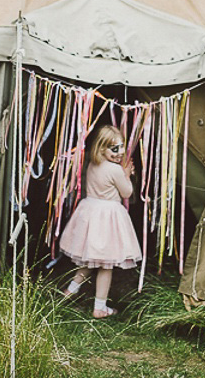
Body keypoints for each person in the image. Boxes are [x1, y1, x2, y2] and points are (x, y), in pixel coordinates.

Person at [59, 125, 142, 318]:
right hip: (107, 218)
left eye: (121, 147)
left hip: (90, 213)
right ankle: (100, 307)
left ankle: (70, 291)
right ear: (101, 148)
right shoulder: (115, 170)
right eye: (115, 149)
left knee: (90, 259)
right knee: (106, 264)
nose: (120, 152)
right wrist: (127, 175)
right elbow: (127, 193)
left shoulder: (92, 163)